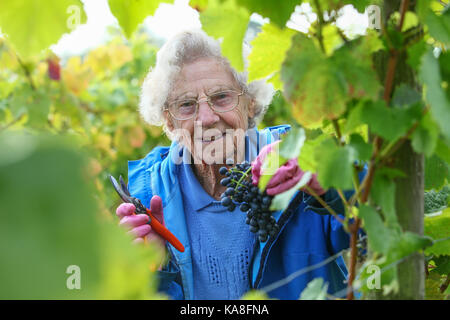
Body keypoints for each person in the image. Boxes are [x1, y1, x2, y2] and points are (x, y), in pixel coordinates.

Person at [116, 30, 354, 300]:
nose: (205, 118)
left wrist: (330, 185)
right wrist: (152, 269)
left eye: (221, 97)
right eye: (186, 104)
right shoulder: (147, 195)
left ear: (250, 102)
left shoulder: (297, 161)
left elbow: (377, 227)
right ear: (169, 121)